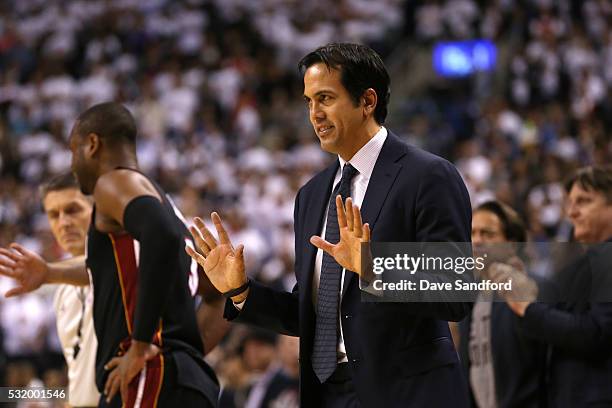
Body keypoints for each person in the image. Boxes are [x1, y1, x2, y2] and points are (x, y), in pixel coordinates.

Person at [187, 43, 473, 407]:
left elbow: (456, 291)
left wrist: (374, 266)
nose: (314, 114)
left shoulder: (428, 176)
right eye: (309, 101)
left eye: (325, 98)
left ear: (367, 101)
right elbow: (312, 314)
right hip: (327, 393)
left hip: (406, 394)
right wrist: (242, 291)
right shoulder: (311, 194)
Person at [0, 102, 222, 407]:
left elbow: (161, 235)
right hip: (176, 378)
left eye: (72, 150)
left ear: (92, 144)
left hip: (148, 375)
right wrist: (189, 354)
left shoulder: (113, 181)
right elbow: (219, 292)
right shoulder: (165, 205)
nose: (73, 164)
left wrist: (142, 345)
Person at [492, 165, 612, 407]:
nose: (572, 212)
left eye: (584, 201)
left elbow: (596, 333)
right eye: (570, 203)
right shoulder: (583, 263)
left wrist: (527, 307)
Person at [459, 201, 546, 408]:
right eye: (473, 233)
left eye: (488, 234)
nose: (477, 241)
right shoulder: (469, 296)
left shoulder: (537, 288)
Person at [41, 172, 99, 407]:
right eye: (53, 215)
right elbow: (79, 371)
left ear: (97, 209)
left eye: (72, 210)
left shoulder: (124, 264)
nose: (63, 223)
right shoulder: (62, 286)